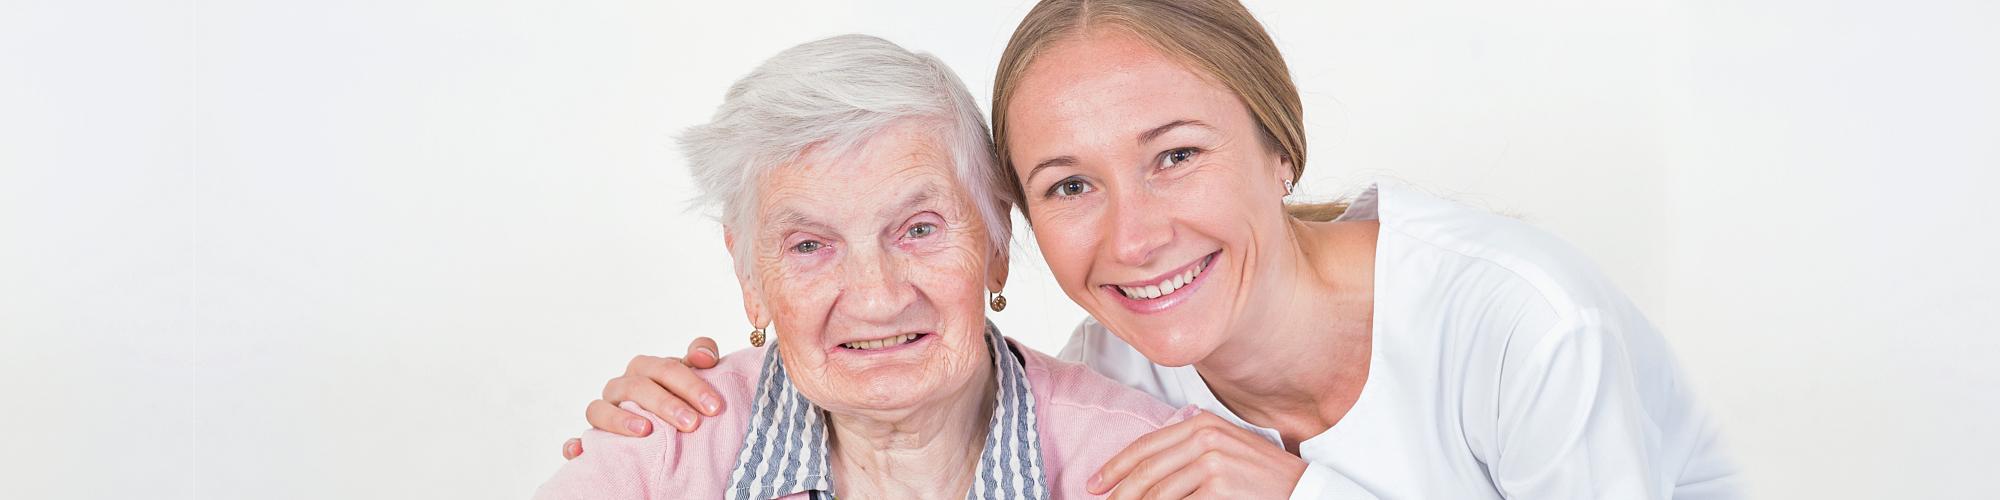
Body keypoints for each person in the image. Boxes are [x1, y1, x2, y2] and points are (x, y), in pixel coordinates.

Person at [572, 1, 1742, 499]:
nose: (1132, 234)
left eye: (1175, 154)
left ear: (1277, 147)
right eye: (1069, 183)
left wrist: (1303, 496)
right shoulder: (1120, 379)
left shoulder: (1523, 322)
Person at [535, 34, 1202, 500]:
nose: (877, 297)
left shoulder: (1145, 468)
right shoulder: (659, 455)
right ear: (749, 277)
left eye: (918, 229)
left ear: (996, 245)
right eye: (808, 246)